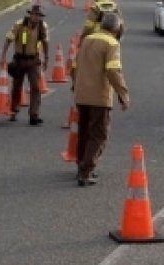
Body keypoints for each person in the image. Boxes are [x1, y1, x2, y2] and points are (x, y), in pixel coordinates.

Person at [72, 10, 128, 186]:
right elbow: (113, 71)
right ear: (117, 28)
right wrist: (123, 93)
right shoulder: (112, 43)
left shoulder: (88, 39)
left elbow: (74, 65)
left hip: (82, 95)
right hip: (99, 96)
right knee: (98, 135)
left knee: (84, 132)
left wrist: (76, 85)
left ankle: (81, 166)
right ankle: (86, 171)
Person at [0, 4, 49, 124]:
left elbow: (45, 42)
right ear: (31, 14)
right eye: (35, 14)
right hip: (19, 60)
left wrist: (46, 58)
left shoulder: (42, 26)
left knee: (36, 87)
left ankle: (34, 115)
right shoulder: (19, 24)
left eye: (39, 16)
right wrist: (3, 56)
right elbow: (8, 39)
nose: (37, 17)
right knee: (17, 87)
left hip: (33, 61)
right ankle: (13, 110)